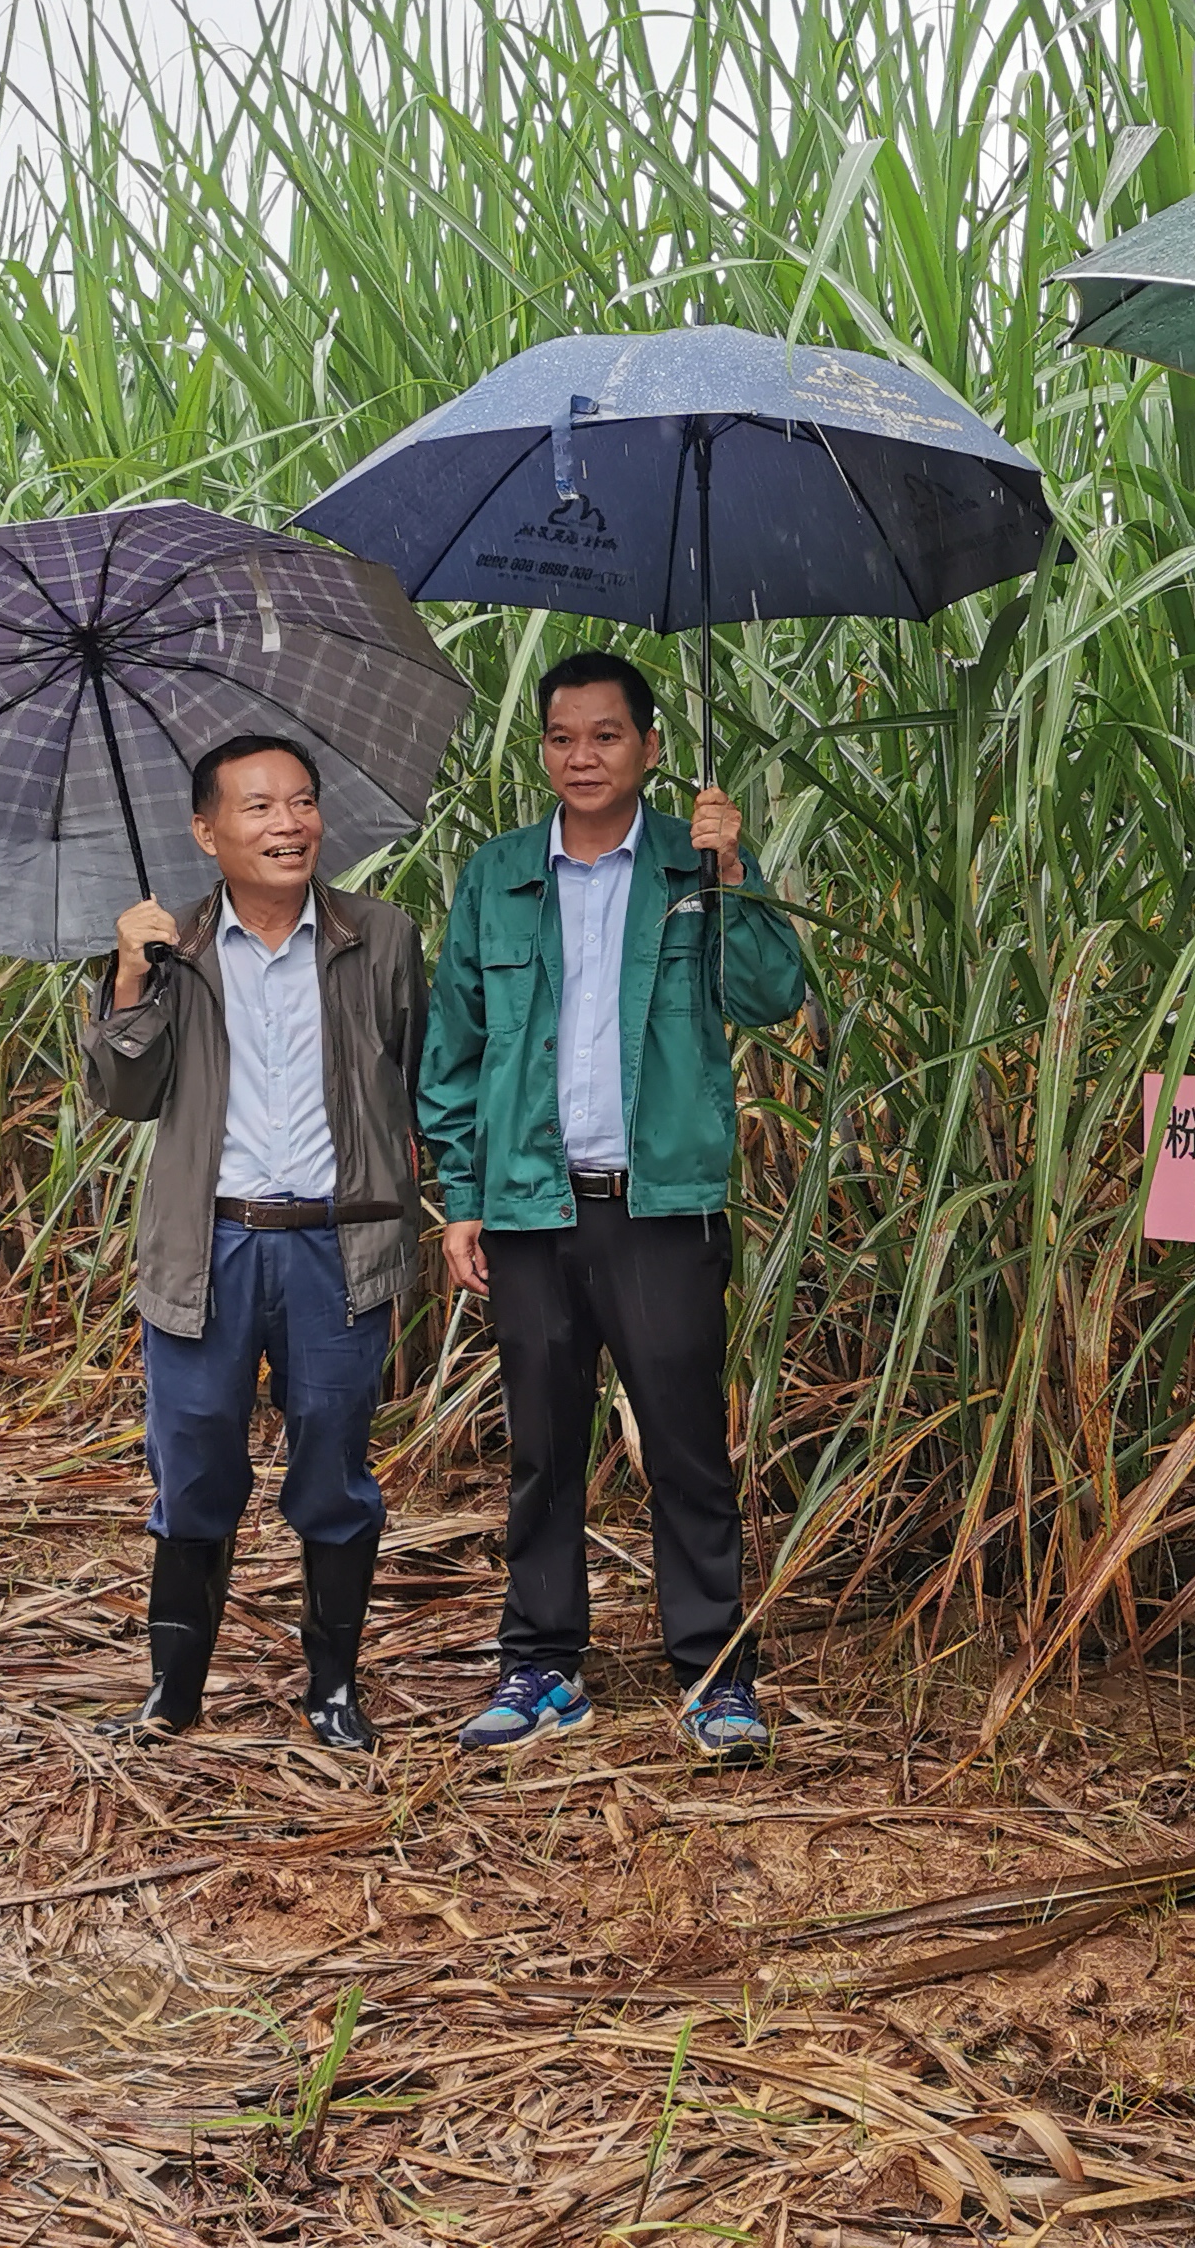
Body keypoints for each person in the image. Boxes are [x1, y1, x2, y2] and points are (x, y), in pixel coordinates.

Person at [419, 649, 808, 1762]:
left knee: (686, 1441)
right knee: (543, 1443)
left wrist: (736, 871)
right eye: (559, 737)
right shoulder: (497, 875)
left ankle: (717, 1674)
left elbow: (775, 996)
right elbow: (453, 1049)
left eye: (603, 735)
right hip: (531, 1210)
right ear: (541, 750)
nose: (579, 756)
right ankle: (541, 1665)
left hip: (659, 1209)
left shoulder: (692, 863)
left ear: (646, 747)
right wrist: (462, 1196)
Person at [77, 733, 427, 1754]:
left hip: (335, 1247)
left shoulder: (382, 936)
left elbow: (416, 1073)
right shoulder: (169, 949)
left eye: (302, 803)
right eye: (260, 807)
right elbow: (126, 1095)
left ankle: (332, 1693)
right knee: (192, 1468)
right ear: (206, 831)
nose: (288, 824)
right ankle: (172, 1696)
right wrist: (133, 978)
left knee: (334, 1465)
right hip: (208, 1248)